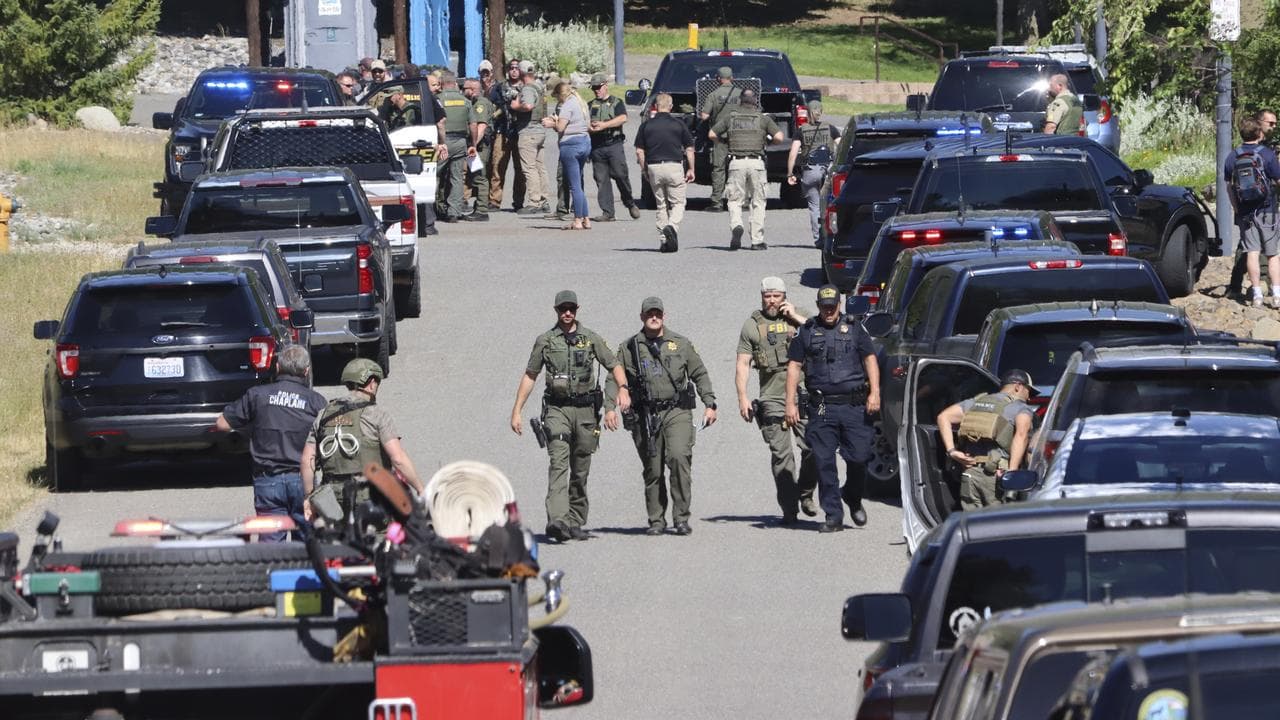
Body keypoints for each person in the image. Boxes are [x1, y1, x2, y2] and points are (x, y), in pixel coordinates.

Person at [511, 290, 632, 541]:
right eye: (562, 309)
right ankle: (557, 519)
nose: (567, 313)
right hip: (557, 409)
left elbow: (614, 363)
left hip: (586, 411)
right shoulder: (545, 341)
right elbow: (530, 375)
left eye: (571, 309)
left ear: (577, 310)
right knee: (558, 462)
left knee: (580, 467)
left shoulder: (590, 339)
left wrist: (623, 389)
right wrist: (517, 411)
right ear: (556, 311)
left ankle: (575, 520)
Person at [605, 297, 717, 536]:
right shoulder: (630, 347)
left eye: (657, 313)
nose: (653, 317)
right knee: (652, 469)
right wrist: (609, 407)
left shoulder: (680, 343)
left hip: (676, 412)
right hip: (646, 414)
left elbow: (699, 373)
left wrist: (710, 403)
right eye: (649, 314)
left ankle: (681, 517)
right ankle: (656, 520)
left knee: (678, 458)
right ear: (642, 317)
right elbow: (614, 376)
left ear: (664, 316)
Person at [785, 285, 879, 532]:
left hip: (854, 405)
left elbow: (870, 358)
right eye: (824, 306)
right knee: (824, 461)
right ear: (818, 306)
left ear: (839, 305)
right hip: (823, 405)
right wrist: (790, 403)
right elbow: (794, 366)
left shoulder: (856, 328)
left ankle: (852, 496)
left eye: (832, 306)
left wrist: (875, 393)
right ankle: (833, 515)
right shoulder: (806, 332)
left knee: (859, 457)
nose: (828, 310)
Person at [214, 345, 326, 542]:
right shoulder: (316, 402)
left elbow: (222, 424)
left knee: (271, 551)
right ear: (306, 371)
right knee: (308, 549)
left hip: (267, 481)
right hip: (302, 482)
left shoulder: (257, 396)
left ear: (277, 367)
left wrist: (252, 430)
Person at [300, 358, 425, 526]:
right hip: (370, 495)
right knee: (377, 544)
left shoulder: (323, 415)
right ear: (372, 383)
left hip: (331, 498)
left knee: (336, 543)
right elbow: (398, 459)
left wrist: (309, 497)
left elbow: (307, 460)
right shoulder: (377, 415)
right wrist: (420, 488)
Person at [735, 277, 818, 525]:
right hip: (772, 397)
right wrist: (743, 397)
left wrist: (796, 317)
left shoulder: (801, 317)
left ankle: (805, 493)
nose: (771, 301)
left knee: (813, 448)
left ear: (784, 296)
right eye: (767, 296)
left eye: (776, 296)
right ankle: (789, 508)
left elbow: (822, 335)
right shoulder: (752, 325)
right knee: (782, 455)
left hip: (802, 392)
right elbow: (742, 364)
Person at [935, 369, 1036, 509]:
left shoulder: (976, 402)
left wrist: (952, 451)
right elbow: (1021, 436)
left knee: (971, 521)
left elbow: (943, 417)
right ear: (1017, 387)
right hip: (997, 475)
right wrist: (1012, 473)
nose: (1029, 397)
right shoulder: (1020, 409)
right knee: (995, 524)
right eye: (1028, 391)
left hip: (969, 472)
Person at [708, 89, 783, 250]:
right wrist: (766, 143)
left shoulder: (730, 117)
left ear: (740, 101)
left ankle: (736, 224)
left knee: (734, 200)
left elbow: (712, 133)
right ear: (755, 101)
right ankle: (757, 240)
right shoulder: (762, 119)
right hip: (757, 164)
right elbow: (779, 137)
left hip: (736, 162)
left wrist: (724, 142)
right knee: (758, 201)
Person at [1225, 115, 1280, 307]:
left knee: (1252, 253)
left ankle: (1256, 295)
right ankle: (1277, 295)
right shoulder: (1267, 154)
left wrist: (1236, 207)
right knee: (1273, 254)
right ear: (1258, 132)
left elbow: (1229, 187)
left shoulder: (1233, 156)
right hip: (1268, 211)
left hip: (1245, 213)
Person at [635, 93, 695, 253]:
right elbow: (689, 148)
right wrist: (691, 168)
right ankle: (672, 226)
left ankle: (664, 241)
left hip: (654, 166)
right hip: (674, 166)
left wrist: (644, 169)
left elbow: (640, 151)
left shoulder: (646, 126)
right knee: (678, 203)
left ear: (655, 106)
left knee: (661, 205)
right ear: (670, 106)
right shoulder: (679, 124)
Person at [586, 73, 640, 222]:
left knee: (620, 175)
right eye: (594, 88)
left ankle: (629, 203)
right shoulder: (590, 105)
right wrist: (591, 128)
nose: (596, 90)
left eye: (598, 87)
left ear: (605, 85)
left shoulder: (616, 102)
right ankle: (607, 212)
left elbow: (623, 118)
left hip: (614, 144)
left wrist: (604, 125)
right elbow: (584, 123)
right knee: (601, 179)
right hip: (597, 146)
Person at [787, 100, 841, 244]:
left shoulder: (801, 130)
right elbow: (841, 146)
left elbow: (793, 153)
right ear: (821, 111)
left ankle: (818, 240)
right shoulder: (830, 128)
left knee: (814, 206)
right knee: (831, 205)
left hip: (810, 171)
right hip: (828, 171)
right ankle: (832, 236)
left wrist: (790, 173)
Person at [544, 80, 593, 230]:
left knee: (574, 186)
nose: (556, 100)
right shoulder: (581, 102)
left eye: (556, 97)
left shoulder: (567, 105)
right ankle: (586, 218)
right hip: (585, 142)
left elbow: (560, 127)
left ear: (561, 94)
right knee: (579, 183)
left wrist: (551, 122)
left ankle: (577, 220)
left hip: (571, 146)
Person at [699, 66, 741, 212]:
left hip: (720, 138)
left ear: (718, 79)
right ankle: (743, 201)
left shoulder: (713, 95)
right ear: (732, 78)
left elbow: (704, 116)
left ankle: (717, 202)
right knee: (740, 169)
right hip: (739, 137)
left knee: (719, 168)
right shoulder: (741, 94)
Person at [488, 59, 525, 211]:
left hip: (521, 132)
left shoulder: (526, 88)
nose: (514, 70)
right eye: (511, 68)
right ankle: (494, 201)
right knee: (497, 166)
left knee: (520, 169)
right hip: (502, 131)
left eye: (517, 68)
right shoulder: (500, 87)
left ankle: (518, 202)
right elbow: (492, 105)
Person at [436, 71, 472, 222]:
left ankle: (431, 210)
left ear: (441, 84)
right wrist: (473, 143)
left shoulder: (437, 100)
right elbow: (473, 125)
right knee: (457, 177)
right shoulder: (465, 101)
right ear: (455, 83)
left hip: (442, 142)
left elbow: (437, 123)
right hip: (460, 141)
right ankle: (454, 212)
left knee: (434, 175)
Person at [513, 69, 549, 215]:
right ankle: (544, 200)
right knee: (541, 167)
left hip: (528, 132)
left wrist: (516, 107)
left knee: (529, 168)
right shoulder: (540, 87)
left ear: (522, 74)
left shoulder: (528, 89)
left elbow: (528, 106)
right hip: (540, 131)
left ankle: (534, 201)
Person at [462, 77, 493, 221]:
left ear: (473, 90)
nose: (463, 91)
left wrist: (473, 146)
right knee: (475, 176)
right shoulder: (475, 103)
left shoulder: (480, 104)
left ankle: (481, 210)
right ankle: (479, 207)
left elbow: (481, 127)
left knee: (479, 177)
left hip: (479, 147)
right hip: (476, 146)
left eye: (465, 89)